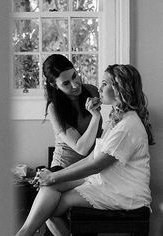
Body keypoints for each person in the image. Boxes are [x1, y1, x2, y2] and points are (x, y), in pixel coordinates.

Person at [15, 64, 154, 236]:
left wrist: (52, 176)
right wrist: (52, 177)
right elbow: (91, 158)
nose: (100, 88)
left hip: (123, 192)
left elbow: (96, 165)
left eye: (105, 83)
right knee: (49, 191)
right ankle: (24, 233)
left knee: (50, 207)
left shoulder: (127, 126)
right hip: (104, 181)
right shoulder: (116, 119)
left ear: (119, 88)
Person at [43, 54, 103, 171]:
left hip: (91, 164)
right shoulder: (54, 108)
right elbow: (82, 148)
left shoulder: (92, 91)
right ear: (54, 85)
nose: (75, 85)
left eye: (74, 76)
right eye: (66, 83)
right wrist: (95, 116)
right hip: (65, 167)